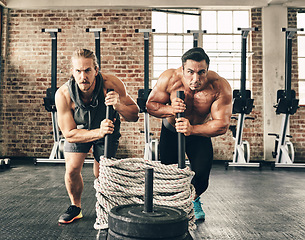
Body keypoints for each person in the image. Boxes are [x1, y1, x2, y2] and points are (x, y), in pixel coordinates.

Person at [146, 47, 232, 221]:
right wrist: (171, 109)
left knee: (201, 176)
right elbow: (150, 105)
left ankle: (193, 199)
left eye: (201, 72)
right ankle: (173, 205)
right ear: (183, 69)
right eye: (190, 72)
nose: (196, 78)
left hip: (199, 133)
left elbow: (222, 125)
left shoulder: (219, 86)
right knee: (170, 175)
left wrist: (192, 129)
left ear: (207, 70)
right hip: (171, 131)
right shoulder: (169, 79)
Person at [55, 48, 139, 224]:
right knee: (71, 170)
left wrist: (119, 106)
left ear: (96, 70)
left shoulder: (112, 84)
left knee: (101, 173)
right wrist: (96, 132)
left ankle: (105, 205)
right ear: (72, 72)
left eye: (87, 70)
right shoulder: (63, 94)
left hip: (107, 129)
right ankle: (75, 207)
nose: (83, 76)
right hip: (80, 132)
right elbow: (69, 134)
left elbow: (134, 115)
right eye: (78, 71)